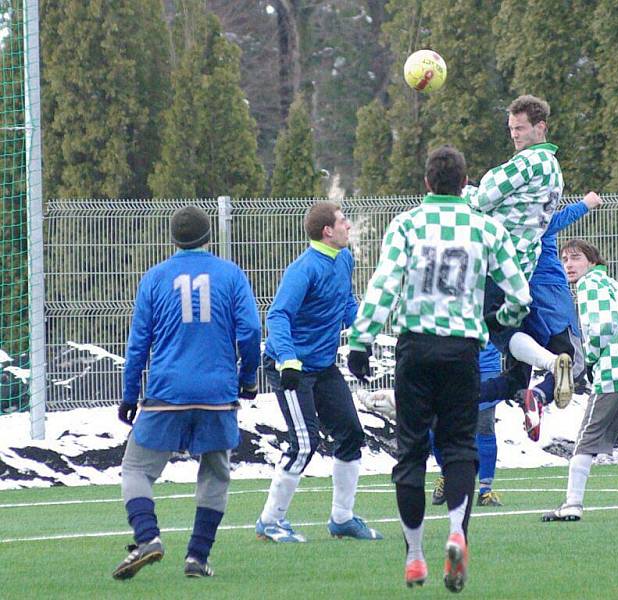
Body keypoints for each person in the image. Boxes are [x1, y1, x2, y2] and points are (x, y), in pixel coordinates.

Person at [347, 145, 531, 592]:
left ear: (427, 184)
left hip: (416, 348)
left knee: (410, 450)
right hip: (462, 350)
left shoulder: (406, 224)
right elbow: (520, 296)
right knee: (459, 446)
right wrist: (495, 321)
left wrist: (360, 341)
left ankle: (413, 556)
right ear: (466, 184)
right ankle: (456, 533)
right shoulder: (485, 227)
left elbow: (384, 287)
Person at [113, 205, 262, 580]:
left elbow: (138, 345)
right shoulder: (230, 274)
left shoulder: (155, 278)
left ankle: (148, 537)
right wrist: (248, 378)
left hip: (167, 391)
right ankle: (197, 557)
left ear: (174, 239)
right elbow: (250, 331)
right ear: (208, 236)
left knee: (135, 469)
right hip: (217, 392)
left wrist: (130, 394)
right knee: (215, 472)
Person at [254, 201, 382, 543]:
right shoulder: (304, 269)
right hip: (291, 367)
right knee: (305, 442)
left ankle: (342, 519)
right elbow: (278, 315)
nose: (349, 226)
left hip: (323, 367)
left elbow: (346, 304)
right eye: (343, 221)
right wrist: (289, 360)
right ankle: (269, 522)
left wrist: (361, 339)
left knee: (352, 434)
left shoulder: (344, 259)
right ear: (328, 231)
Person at [542, 239, 618, 522]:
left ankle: (572, 504)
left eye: (575, 258)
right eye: (564, 260)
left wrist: (593, 362)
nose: (568, 265)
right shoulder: (615, 285)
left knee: (588, 436)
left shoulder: (590, 285)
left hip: (617, 367)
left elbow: (601, 328)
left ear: (592, 262)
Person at [463, 94, 573, 409]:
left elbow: (484, 197)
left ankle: (552, 364)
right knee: (504, 335)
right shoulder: (554, 168)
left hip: (497, 261)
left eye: (521, 128)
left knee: (494, 332)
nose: (514, 135)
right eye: (511, 128)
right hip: (522, 266)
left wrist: (459, 190)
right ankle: (547, 372)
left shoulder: (529, 161)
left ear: (541, 128)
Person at [481, 192, 603, 441]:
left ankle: (459, 397)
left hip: (516, 292)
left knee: (515, 378)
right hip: (548, 292)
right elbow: (553, 222)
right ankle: (538, 396)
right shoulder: (532, 217)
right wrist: (585, 204)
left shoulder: (500, 222)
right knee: (572, 363)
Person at [431, 343, 505, 507]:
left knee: (485, 425)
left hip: (486, 366)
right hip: (451, 362)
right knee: (437, 424)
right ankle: (446, 474)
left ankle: (485, 490)